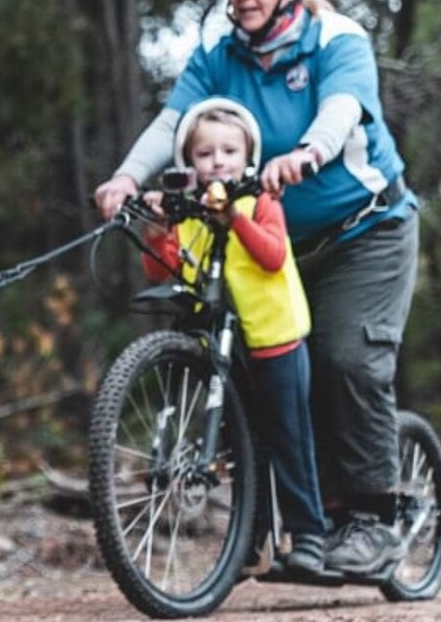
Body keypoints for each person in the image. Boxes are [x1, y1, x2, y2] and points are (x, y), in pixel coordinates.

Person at [94, 0, 418, 575]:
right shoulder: (220, 56)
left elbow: (344, 109)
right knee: (246, 368)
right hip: (273, 241)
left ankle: (375, 517)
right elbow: (172, 122)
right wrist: (128, 176)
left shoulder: (336, 39)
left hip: (366, 230)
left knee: (347, 359)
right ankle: (263, 527)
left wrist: (307, 154)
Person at [140, 98, 326, 574]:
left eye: (228, 151)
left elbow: (271, 255)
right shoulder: (191, 212)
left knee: (288, 437)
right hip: (223, 345)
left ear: (248, 156)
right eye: (204, 154)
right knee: (243, 446)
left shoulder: (260, 199)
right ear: (189, 162)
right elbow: (164, 268)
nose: (217, 161)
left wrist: (235, 219)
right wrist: (161, 225)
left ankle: (308, 537)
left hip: (274, 337)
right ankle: (251, 540)